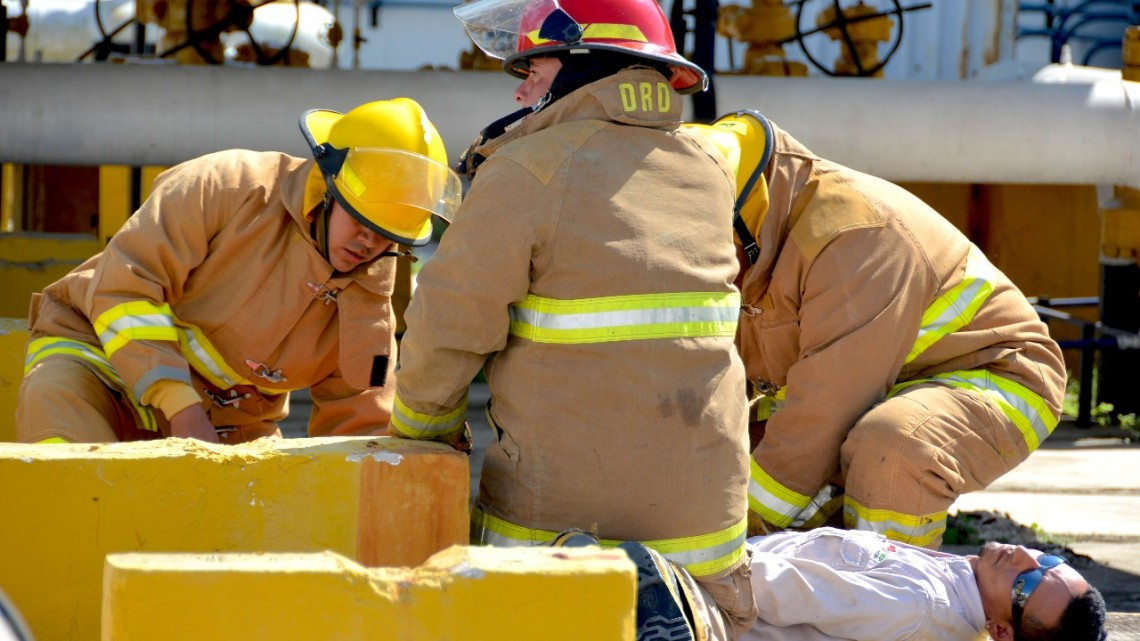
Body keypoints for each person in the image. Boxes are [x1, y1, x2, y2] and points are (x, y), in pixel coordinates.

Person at [386, 1, 757, 640]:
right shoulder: (709, 170)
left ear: (584, 65)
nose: (522, 84)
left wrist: (423, 431)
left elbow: (447, 327)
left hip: (555, 537)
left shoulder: (526, 169)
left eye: (534, 66)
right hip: (709, 545)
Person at [682, 112, 1067, 549]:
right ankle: (821, 576)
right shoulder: (754, 228)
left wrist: (732, 535)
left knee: (891, 451)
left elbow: (824, 413)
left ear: (742, 226)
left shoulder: (853, 233)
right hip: (874, 385)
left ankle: (893, 599)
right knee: (725, 455)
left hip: (994, 374)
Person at [16, 98, 461, 445]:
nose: (370, 245)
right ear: (328, 187)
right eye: (361, 222)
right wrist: (180, 404)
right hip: (98, 358)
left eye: (387, 236)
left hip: (224, 417)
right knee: (67, 454)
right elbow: (123, 290)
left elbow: (362, 405)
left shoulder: (368, 286)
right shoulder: (223, 187)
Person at [739, 527, 1107, 641]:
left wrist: (692, 555)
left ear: (1001, 631)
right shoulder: (956, 584)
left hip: (699, 597)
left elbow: (770, 587)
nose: (1025, 556)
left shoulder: (917, 605)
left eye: (1025, 585)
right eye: (1049, 561)